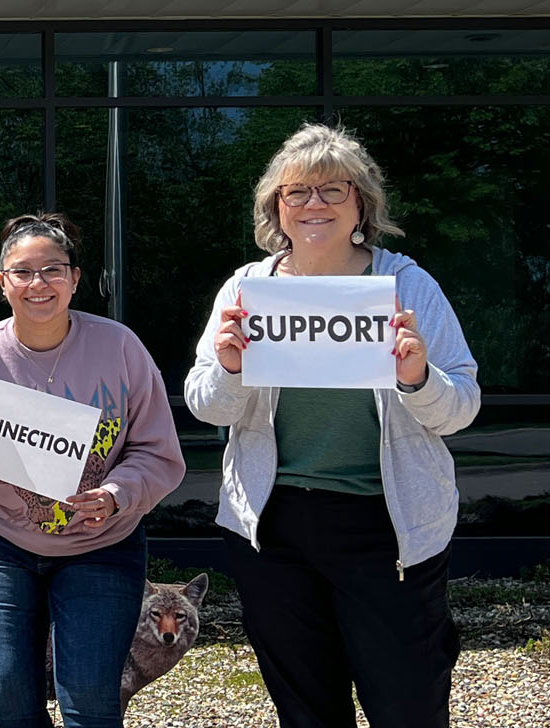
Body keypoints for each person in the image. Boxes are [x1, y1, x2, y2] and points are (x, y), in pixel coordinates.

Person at [184, 122, 479, 728]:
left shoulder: (406, 285)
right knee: (307, 710)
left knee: (409, 707)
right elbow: (206, 405)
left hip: (387, 527)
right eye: (297, 193)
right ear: (277, 208)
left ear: (361, 204)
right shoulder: (247, 288)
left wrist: (419, 377)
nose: (313, 204)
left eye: (332, 190)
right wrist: (233, 368)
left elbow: (462, 407)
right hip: (274, 529)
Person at [0, 212, 185, 728]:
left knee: (91, 701)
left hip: (104, 545)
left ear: (74, 278)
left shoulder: (120, 347)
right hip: (3, 546)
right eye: (23, 272)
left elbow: (160, 453)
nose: (38, 283)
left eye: (53, 269)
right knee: (8, 698)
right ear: (4, 284)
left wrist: (116, 492)